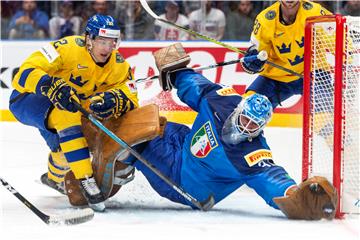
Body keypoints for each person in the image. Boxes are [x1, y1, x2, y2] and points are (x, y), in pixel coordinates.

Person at [121, 43, 338, 220]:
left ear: (262, 127)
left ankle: (105, 171)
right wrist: (177, 73)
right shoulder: (222, 100)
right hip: (184, 144)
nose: (247, 127)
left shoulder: (252, 155)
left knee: (134, 135)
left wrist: (295, 197)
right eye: (245, 119)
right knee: (151, 119)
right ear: (239, 109)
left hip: (184, 182)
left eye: (254, 125)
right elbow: (198, 86)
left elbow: (273, 179)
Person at [8, 14, 138, 212]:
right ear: (89, 39)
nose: (107, 48)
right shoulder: (66, 47)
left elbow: (131, 96)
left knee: (64, 148)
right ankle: (86, 180)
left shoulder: (118, 65)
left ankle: (53, 178)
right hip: (28, 99)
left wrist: (117, 99)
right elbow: (23, 73)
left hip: (64, 109)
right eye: (102, 41)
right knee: (67, 115)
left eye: (112, 42)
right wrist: (49, 84)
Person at [240, 0, 331, 108]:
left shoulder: (314, 11)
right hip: (276, 77)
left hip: (313, 74)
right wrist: (252, 64)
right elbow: (258, 54)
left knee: (331, 111)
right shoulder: (265, 20)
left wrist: (350, 56)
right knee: (247, 109)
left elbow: (337, 36)